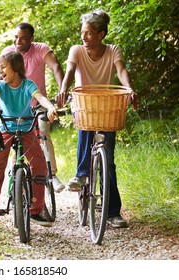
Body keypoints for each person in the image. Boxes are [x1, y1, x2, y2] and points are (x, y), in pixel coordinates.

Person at [56, 9, 140, 228]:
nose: (83, 37)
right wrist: (64, 90)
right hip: (85, 105)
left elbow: (120, 71)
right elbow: (69, 73)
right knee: (85, 127)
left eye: (89, 33)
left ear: (101, 34)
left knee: (109, 163)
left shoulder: (113, 51)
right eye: (83, 32)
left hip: (106, 106)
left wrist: (129, 88)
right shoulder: (77, 50)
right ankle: (82, 174)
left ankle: (113, 213)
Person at [0, 51, 58, 230]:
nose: (1, 72)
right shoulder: (1, 86)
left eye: (3, 67)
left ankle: (36, 209)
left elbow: (40, 98)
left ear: (16, 68)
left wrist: (50, 107)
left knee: (40, 166)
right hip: (6, 129)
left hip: (26, 129)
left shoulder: (28, 85)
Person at [1, 22, 66, 193]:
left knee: (43, 133)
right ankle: (15, 180)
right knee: (17, 143)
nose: (18, 42)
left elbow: (56, 67)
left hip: (38, 104)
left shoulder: (40, 49)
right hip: (14, 108)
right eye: (16, 37)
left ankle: (51, 175)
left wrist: (62, 90)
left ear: (32, 39)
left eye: (23, 38)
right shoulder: (7, 54)